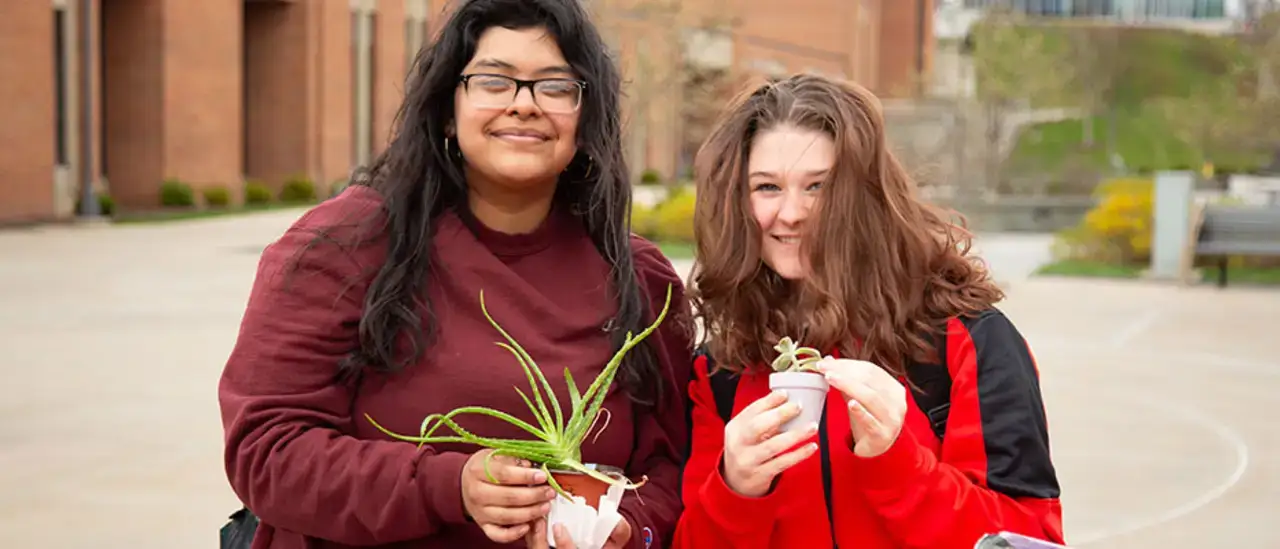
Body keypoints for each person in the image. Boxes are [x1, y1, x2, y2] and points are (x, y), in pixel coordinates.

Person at [217, 1, 693, 548]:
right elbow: (267, 451)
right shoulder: (347, 244)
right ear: (448, 108)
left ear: (585, 121)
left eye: (556, 86)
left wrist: (630, 530)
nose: (523, 105)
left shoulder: (639, 278)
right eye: (494, 81)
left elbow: (671, 468)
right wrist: (450, 486)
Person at [671, 74, 1065, 549]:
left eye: (818, 186)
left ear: (865, 196)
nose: (791, 213)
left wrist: (898, 463)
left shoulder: (967, 341)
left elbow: (1027, 537)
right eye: (767, 187)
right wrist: (735, 489)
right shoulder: (720, 368)